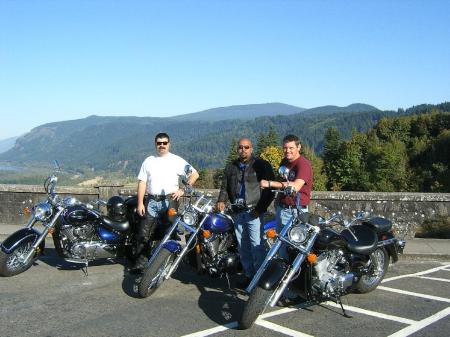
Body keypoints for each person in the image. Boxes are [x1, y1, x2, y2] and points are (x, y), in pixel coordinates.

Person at [131, 132, 199, 273]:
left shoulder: (176, 160)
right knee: (144, 233)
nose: (162, 145)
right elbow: (142, 182)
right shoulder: (148, 161)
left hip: (170, 200)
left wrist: (183, 190)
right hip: (151, 201)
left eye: (164, 143)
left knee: (171, 232)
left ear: (169, 144)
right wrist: (140, 203)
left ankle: (172, 263)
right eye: (159, 143)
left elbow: (194, 174)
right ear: (155, 144)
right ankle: (140, 265)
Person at [217, 137, 275, 288]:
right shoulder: (231, 167)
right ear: (237, 149)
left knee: (257, 246)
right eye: (241, 147)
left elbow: (270, 192)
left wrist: (259, 209)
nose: (243, 150)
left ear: (252, 148)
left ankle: (260, 279)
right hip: (237, 212)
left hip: (253, 211)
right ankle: (249, 276)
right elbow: (224, 186)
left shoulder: (261, 165)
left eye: (246, 147)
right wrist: (221, 200)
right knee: (243, 247)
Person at [260, 134, 313, 232]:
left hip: (295, 211)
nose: (287, 151)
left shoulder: (303, 164)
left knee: (293, 245)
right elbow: (282, 182)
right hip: (282, 208)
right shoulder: (284, 162)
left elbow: (296, 186)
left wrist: (269, 183)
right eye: (285, 148)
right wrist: (278, 201)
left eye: (291, 148)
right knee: (280, 243)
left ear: (299, 147)